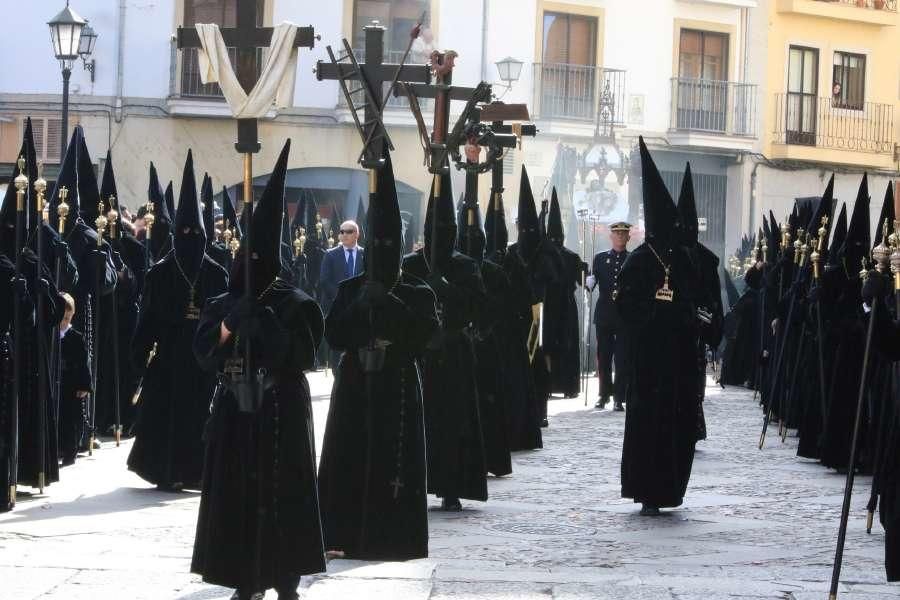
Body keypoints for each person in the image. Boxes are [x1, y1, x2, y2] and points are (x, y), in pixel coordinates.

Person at [192, 140, 326, 600]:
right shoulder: (222, 303)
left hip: (280, 411)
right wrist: (230, 325)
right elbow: (205, 354)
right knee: (238, 498)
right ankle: (243, 577)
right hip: (236, 411)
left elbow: (304, 357)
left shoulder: (297, 305)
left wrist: (266, 324)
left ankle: (286, 578)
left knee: (283, 494)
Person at [318, 150, 438, 560]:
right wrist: (359, 306)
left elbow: (428, 336)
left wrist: (390, 304)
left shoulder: (417, 291)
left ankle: (392, 534)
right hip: (355, 385)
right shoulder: (352, 288)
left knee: (394, 463)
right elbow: (332, 335)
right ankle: (344, 532)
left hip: (398, 386)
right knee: (349, 457)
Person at [615, 138, 708, 516]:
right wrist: (654, 315)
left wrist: (691, 319)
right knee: (648, 426)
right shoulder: (638, 261)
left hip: (679, 360)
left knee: (675, 427)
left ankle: (669, 488)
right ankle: (645, 489)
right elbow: (625, 305)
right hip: (650, 361)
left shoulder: (683, 259)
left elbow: (695, 299)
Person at [127, 150, 228, 491]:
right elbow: (148, 317)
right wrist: (140, 357)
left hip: (202, 357)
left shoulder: (216, 273)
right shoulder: (160, 273)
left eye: (194, 234)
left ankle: (195, 472)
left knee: (197, 414)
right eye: (182, 233)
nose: (189, 238)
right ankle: (166, 471)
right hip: (169, 355)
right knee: (167, 415)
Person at [402, 166, 488, 511]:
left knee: (453, 423)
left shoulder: (465, 267)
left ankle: (452, 486)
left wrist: (449, 292)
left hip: (454, 353)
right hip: (420, 353)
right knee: (417, 422)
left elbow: (480, 311)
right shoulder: (411, 265)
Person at [542, 188, 587, 399]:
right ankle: (567, 386)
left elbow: (583, 281)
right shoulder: (571, 256)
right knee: (562, 344)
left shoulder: (547, 257)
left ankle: (551, 383)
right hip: (561, 305)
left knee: (551, 344)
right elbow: (583, 282)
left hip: (552, 305)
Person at [587, 221, 631, 411]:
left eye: (623, 234)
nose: (620, 237)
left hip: (624, 316)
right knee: (603, 357)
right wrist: (588, 280)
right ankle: (604, 395)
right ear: (611, 237)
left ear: (628, 237)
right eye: (617, 234)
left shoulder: (633, 258)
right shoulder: (600, 258)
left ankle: (619, 397)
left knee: (622, 358)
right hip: (605, 313)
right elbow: (591, 283)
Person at [319, 219, 364, 370]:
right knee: (338, 351)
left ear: (357, 234)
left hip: (359, 309)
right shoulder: (330, 255)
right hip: (337, 308)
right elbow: (325, 281)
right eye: (342, 232)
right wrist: (342, 299)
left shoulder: (365, 255)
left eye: (348, 232)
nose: (344, 235)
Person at [58, 293, 91, 466]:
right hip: (58, 384)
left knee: (72, 420)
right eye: (62, 318)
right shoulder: (50, 335)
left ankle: (71, 451)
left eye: (68, 318)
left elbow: (84, 362)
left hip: (72, 385)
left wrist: (85, 385)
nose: (64, 322)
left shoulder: (76, 337)